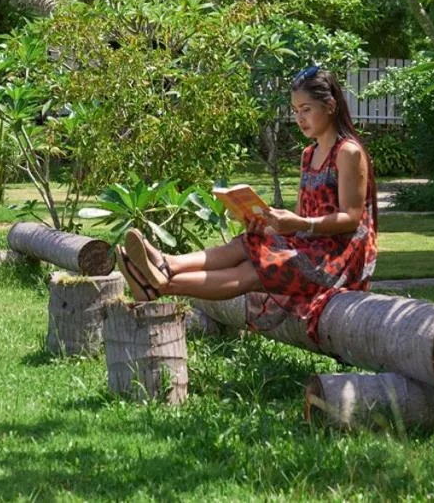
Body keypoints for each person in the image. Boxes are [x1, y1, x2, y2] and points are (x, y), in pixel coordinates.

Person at [117, 65, 378, 343]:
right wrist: (271, 226)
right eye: (295, 110)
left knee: (257, 269)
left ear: (330, 106)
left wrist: (299, 224)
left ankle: (162, 285)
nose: (299, 118)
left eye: (306, 109)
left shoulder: (348, 152)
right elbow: (304, 219)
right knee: (246, 242)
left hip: (340, 260)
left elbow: (351, 218)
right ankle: (167, 265)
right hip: (314, 248)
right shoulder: (309, 154)